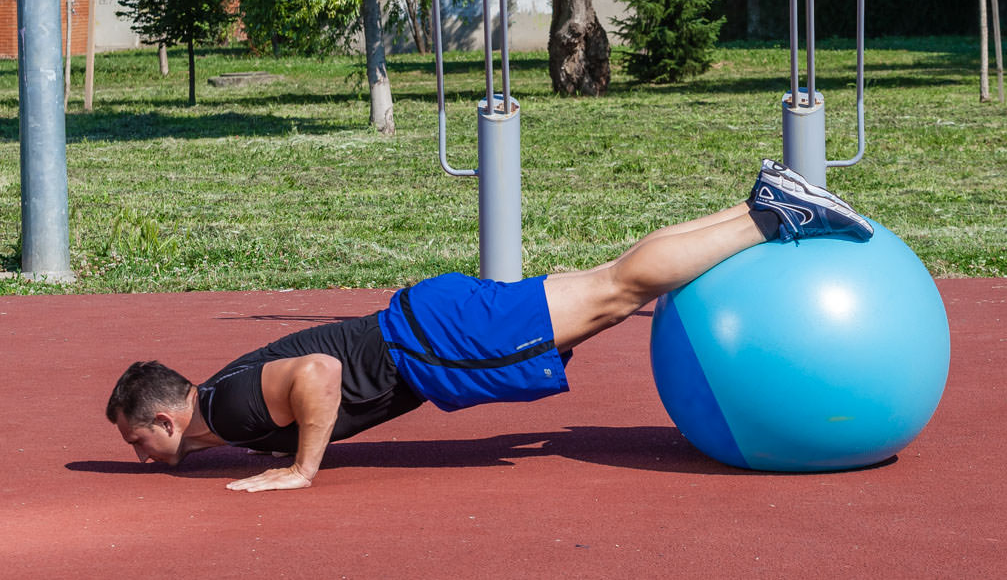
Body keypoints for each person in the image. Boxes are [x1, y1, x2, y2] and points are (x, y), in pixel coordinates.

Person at [107, 159, 872, 493]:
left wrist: (303, 469)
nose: (137, 453)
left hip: (433, 338)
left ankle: (771, 214)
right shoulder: (220, 409)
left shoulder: (228, 406)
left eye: (135, 439)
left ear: (166, 418)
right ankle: (760, 201)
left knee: (615, 289)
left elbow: (321, 374)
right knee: (609, 283)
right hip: (431, 325)